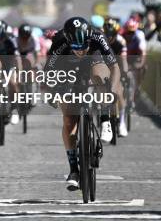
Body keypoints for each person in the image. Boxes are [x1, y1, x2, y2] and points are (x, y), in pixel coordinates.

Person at [44, 17, 121, 191]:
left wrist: (113, 92)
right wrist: (53, 92)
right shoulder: (60, 42)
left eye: (84, 45)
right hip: (67, 67)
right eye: (77, 47)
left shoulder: (97, 37)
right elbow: (48, 73)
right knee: (69, 121)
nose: (81, 50)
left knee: (99, 77)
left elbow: (115, 67)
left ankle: (105, 121)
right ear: (69, 41)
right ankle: (73, 171)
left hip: (94, 60)